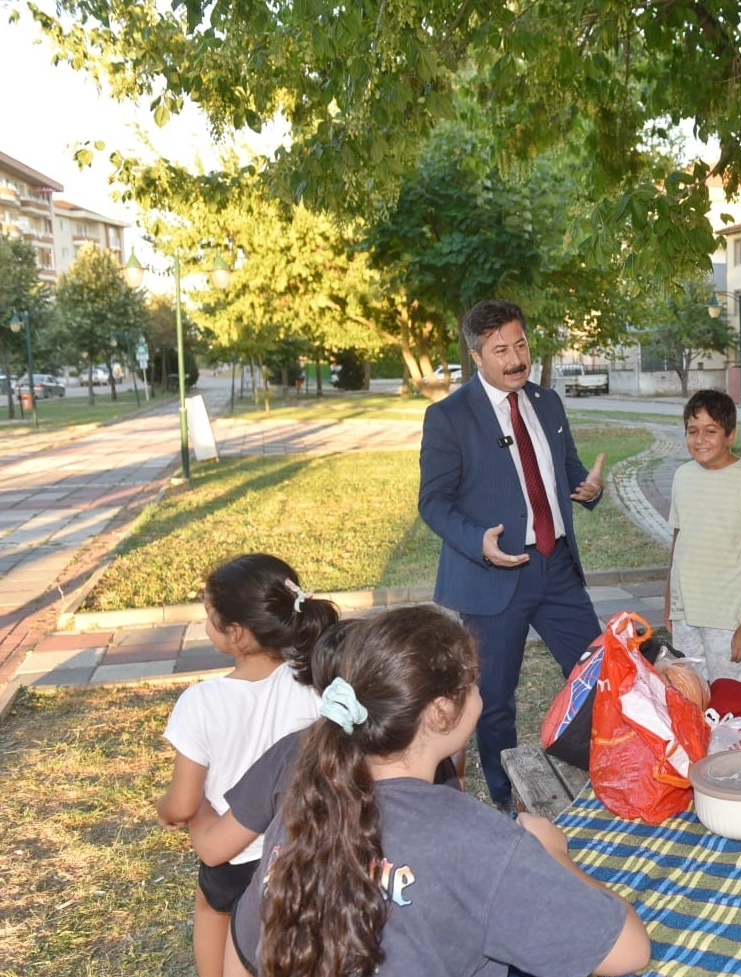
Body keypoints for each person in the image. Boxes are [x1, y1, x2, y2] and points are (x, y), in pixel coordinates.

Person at [228, 605, 650, 977]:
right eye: (473, 683)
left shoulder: (303, 804)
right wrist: (553, 855)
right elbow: (627, 951)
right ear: (442, 711)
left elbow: (245, 948)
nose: (480, 693)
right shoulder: (475, 840)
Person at [418, 298, 607, 810]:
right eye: (501, 350)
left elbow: (563, 469)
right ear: (477, 356)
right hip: (491, 577)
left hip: (557, 568)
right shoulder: (448, 417)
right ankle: (506, 804)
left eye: (521, 344)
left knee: (600, 675)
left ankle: (604, 775)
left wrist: (584, 486)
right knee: (493, 701)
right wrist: (477, 539)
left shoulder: (546, 402)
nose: (515, 358)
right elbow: (432, 502)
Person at [156, 553, 339, 977]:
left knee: (212, 909)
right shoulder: (315, 682)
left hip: (233, 855)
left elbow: (183, 804)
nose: (206, 621)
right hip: (303, 848)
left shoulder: (201, 701)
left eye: (209, 614)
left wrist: (166, 811)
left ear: (235, 633)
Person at [186, 621, 465, 868]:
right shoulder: (421, 752)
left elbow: (213, 849)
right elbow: (454, 836)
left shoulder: (292, 753)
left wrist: (195, 806)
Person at [663, 389, 741, 682]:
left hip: (730, 620)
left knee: (731, 705)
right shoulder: (682, 477)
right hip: (686, 614)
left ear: (730, 435)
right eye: (693, 431)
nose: (700, 440)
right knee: (688, 698)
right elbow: (679, 542)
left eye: (710, 431)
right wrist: (670, 601)